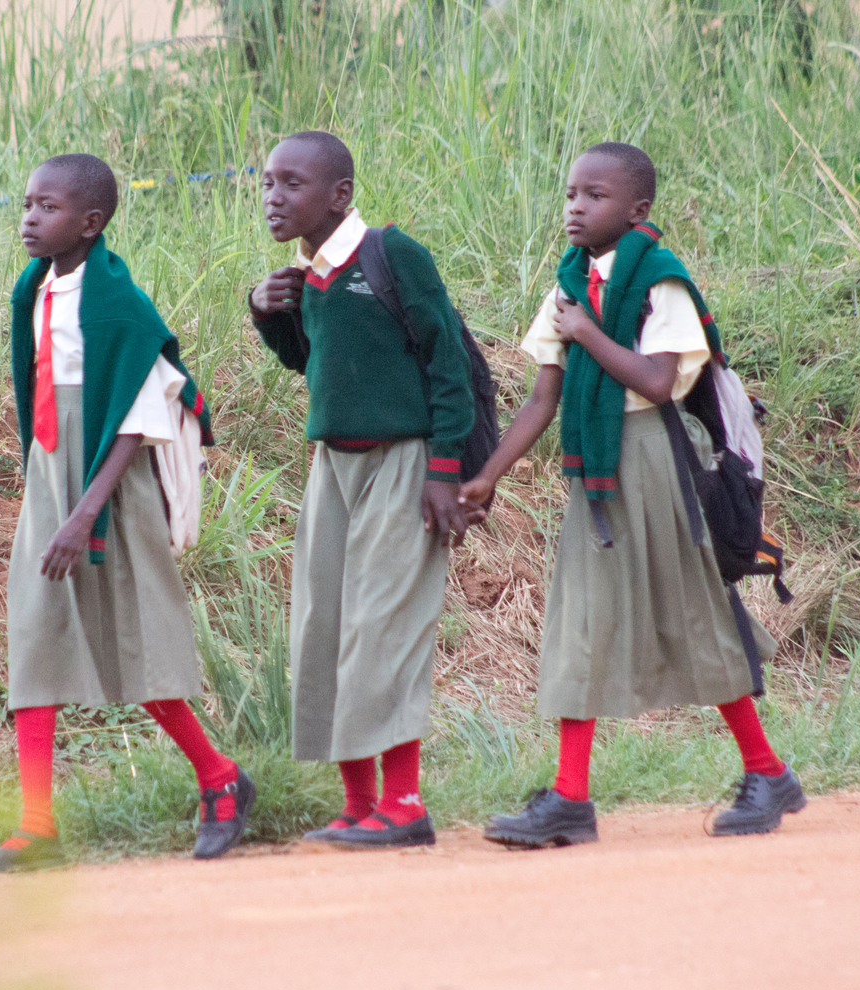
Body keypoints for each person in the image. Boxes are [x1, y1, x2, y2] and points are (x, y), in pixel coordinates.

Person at [459, 142, 806, 848]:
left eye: (595, 196)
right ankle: (569, 799)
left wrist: (586, 330)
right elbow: (542, 399)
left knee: (695, 615)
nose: (575, 207)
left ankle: (767, 772)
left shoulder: (661, 281)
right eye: (570, 195)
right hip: (596, 470)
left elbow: (654, 382)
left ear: (638, 210)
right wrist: (488, 474)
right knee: (579, 623)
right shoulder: (568, 283)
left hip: (657, 458)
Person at [0, 153, 251, 874]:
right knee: (34, 632)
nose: (30, 218)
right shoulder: (35, 288)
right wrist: (50, 497)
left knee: (136, 640)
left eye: (48, 207)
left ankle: (221, 780)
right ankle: (36, 828)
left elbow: (141, 410)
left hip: (110, 488)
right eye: (27, 203)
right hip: (52, 479)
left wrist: (84, 513)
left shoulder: (118, 301)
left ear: (90, 224)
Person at [248, 131, 475, 849]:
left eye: (292, 184)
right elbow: (311, 365)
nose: (273, 197)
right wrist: (265, 312)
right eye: (267, 183)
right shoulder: (306, 271)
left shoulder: (391, 254)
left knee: (384, 626)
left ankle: (405, 806)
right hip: (332, 470)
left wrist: (445, 468)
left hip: (404, 464)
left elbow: (449, 366)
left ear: (339, 194)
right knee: (325, 623)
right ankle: (357, 805)